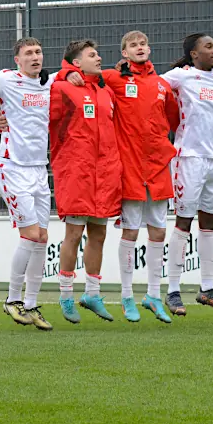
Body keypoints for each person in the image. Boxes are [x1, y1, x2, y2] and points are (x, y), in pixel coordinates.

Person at [101, 31, 178, 324]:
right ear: (124, 53)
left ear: (150, 48)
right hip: (130, 166)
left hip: (158, 166)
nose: (139, 48)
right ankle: (126, 295)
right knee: (131, 231)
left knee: (158, 231)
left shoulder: (161, 84)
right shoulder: (114, 78)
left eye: (143, 43)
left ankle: (153, 295)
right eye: (133, 45)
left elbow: (172, 119)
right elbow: (82, 77)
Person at [160, 34, 213, 315]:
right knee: (183, 221)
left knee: (209, 223)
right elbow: (151, 87)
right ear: (193, 53)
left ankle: (206, 288)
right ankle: (173, 290)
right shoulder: (181, 76)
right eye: (209, 46)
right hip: (187, 158)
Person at [49, 40, 122, 323]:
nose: (99, 57)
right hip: (76, 172)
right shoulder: (62, 87)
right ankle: (66, 295)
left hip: (104, 173)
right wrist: (63, 72)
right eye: (92, 55)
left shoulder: (105, 91)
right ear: (76, 62)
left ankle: (92, 293)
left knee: (99, 235)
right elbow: (38, 115)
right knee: (74, 235)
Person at [0, 38, 54, 331]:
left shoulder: (49, 84)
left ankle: (31, 304)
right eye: (28, 53)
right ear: (17, 59)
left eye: (38, 52)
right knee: (30, 234)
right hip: (12, 167)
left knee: (42, 237)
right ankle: (12, 299)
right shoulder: (6, 80)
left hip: (39, 170)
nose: (35, 57)